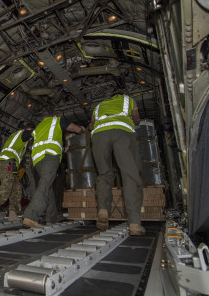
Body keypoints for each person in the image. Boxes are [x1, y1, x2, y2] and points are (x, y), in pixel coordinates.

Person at [89, 93, 144, 235]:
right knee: (130, 174)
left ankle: (103, 211)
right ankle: (134, 223)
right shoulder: (128, 99)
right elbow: (136, 119)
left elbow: (91, 125)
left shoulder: (98, 106)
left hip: (99, 135)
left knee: (104, 174)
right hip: (122, 132)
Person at [23, 116, 85, 228]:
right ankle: (31, 215)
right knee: (46, 183)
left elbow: (24, 136)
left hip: (37, 160)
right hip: (50, 155)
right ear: (53, 116)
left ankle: (51, 218)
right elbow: (76, 129)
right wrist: (82, 129)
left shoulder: (39, 127)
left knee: (48, 185)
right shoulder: (57, 120)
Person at [0, 123, 35, 224]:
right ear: (28, 129)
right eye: (30, 130)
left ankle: (12, 214)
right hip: (7, 162)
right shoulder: (23, 134)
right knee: (6, 187)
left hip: (10, 163)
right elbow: (33, 133)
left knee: (17, 189)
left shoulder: (20, 139)